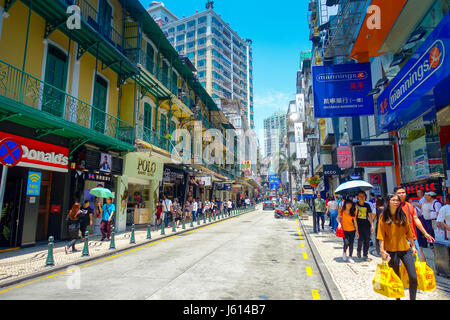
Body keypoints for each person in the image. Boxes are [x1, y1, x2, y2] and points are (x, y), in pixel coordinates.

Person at [377, 194, 418, 300]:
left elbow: (409, 232)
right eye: (393, 200)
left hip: (405, 250)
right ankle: (398, 298)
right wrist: (382, 251)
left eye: (398, 200)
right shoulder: (383, 216)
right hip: (391, 251)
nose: (396, 202)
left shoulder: (402, 214)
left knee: (413, 277)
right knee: (396, 278)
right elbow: (380, 235)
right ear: (388, 201)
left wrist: (413, 246)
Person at [394, 187, 435, 262]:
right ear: (395, 194)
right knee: (401, 262)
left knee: (416, 259)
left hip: (412, 236)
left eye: (403, 192)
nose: (401, 194)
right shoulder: (393, 207)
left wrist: (425, 233)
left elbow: (416, 219)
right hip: (398, 238)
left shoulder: (409, 205)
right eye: (399, 193)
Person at [337, 198, 358, 263]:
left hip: (352, 230)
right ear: (345, 204)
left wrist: (357, 231)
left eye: (350, 204)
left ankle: (350, 257)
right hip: (344, 230)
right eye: (347, 204)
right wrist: (339, 224)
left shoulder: (353, 212)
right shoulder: (342, 211)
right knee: (346, 243)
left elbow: (355, 222)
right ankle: (344, 252)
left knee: (351, 244)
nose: (349, 205)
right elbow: (337, 218)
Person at [355, 191, 374, 261]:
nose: (362, 197)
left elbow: (370, 216)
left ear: (365, 197)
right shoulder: (355, 205)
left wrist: (372, 225)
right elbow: (354, 216)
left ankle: (365, 254)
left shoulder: (367, 205)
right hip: (358, 224)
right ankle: (359, 250)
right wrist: (356, 209)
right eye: (360, 196)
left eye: (363, 196)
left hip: (366, 224)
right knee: (360, 239)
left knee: (367, 239)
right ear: (357, 197)